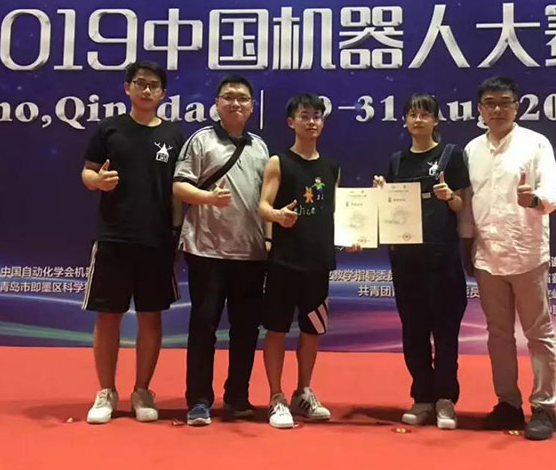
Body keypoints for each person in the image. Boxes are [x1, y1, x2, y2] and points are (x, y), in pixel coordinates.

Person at [460, 76, 556, 440]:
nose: (498, 109)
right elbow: (468, 202)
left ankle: (544, 407)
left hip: (527, 253)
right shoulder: (472, 149)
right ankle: (507, 404)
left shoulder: (536, 143)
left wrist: (533, 199)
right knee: (498, 335)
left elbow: (555, 190)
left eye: (505, 102)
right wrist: (467, 244)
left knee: (539, 333)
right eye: (490, 103)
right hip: (487, 255)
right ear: (480, 109)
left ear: (517, 107)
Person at [81, 60, 185, 424]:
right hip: (114, 236)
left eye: (154, 85)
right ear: (127, 88)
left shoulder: (174, 135)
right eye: (140, 83)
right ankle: (106, 391)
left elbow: (179, 189)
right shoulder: (109, 129)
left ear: (163, 93)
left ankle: (142, 390)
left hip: (157, 240)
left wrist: (177, 233)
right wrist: (97, 181)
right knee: (108, 316)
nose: (146, 90)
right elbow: (87, 171)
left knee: (150, 317)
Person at [172, 75, 269, 426]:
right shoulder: (201, 140)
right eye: (228, 97)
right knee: (203, 326)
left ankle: (237, 396)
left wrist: (269, 241)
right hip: (207, 250)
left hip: (251, 254)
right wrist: (208, 198)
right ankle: (199, 399)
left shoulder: (260, 148)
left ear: (252, 106)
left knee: (246, 330)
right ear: (216, 104)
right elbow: (179, 186)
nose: (235, 103)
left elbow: (267, 200)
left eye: (242, 98)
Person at [258, 93, 358, 429]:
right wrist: (277, 216)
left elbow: (338, 215)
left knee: (312, 330)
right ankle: (276, 396)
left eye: (317, 116)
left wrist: (350, 240)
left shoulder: (332, 168)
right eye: (304, 116)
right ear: (291, 122)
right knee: (276, 330)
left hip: (318, 264)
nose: (311, 121)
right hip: (284, 262)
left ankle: (303, 391)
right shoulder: (278, 162)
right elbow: (262, 206)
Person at [372, 94, 469, 430]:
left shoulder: (451, 155)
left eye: (425, 115)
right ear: (404, 121)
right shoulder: (397, 161)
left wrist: (450, 196)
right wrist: (382, 193)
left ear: (436, 120)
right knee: (413, 331)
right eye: (412, 115)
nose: (418, 120)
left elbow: (462, 205)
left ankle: (445, 399)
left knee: (445, 332)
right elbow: (389, 211)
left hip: (442, 258)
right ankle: (422, 397)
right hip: (406, 261)